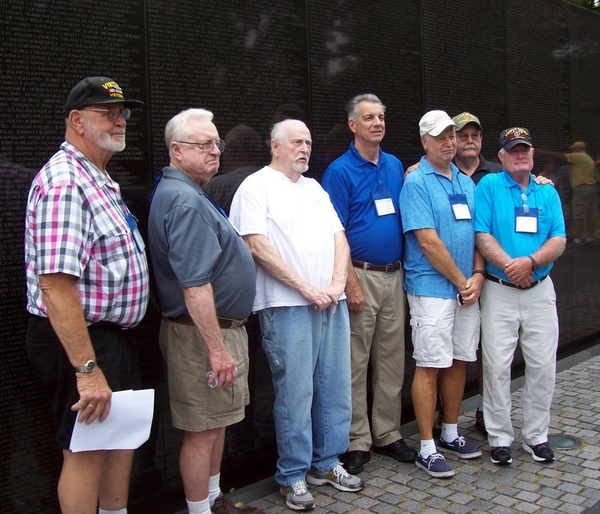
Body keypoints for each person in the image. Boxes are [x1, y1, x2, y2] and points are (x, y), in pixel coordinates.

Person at [25, 76, 150, 514]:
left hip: (111, 338)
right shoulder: (65, 183)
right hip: (82, 342)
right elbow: (56, 286)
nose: (119, 121)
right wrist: (87, 369)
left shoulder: (96, 177)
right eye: (107, 113)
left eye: (123, 113)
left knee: (119, 443)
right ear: (77, 121)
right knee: (86, 451)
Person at [230, 119, 363, 511]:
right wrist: (306, 288)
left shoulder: (315, 188)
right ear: (275, 146)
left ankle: (327, 461)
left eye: (308, 142)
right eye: (296, 143)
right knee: (295, 392)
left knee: (335, 385)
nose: (304, 149)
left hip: (329, 302)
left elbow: (339, 236)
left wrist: (337, 284)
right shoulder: (255, 187)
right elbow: (256, 245)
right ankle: (292, 475)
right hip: (286, 306)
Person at [147, 108, 260, 514]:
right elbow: (194, 284)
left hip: (212, 332)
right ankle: (201, 509)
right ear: (177, 150)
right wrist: (216, 349)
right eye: (204, 144)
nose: (215, 151)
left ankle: (215, 501)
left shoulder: (190, 194)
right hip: (201, 338)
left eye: (217, 143)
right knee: (201, 430)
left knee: (216, 423)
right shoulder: (185, 201)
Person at [321, 93, 416, 475]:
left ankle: (388, 433)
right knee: (355, 364)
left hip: (396, 276)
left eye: (381, 116)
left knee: (392, 361)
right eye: (369, 117)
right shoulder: (339, 171)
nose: (377, 123)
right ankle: (357, 439)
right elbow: (334, 232)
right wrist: (349, 283)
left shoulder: (394, 166)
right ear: (353, 125)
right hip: (359, 276)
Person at [475, 127, 566, 465]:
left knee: (543, 366)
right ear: (500, 156)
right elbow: (482, 234)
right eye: (513, 150)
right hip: (500, 292)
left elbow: (558, 239)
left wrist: (530, 262)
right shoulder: (489, 186)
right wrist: (511, 267)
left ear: (533, 153)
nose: (520, 154)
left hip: (540, 291)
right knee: (497, 366)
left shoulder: (547, 192)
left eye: (525, 149)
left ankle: (536, 436)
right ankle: (499, 438)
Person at [400, 110, 483, 478]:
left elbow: (480, 234)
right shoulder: (416, 183)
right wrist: (462, 280)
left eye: (452, 135)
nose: (450, 142)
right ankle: (427, 446)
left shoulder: (467, 183)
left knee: (459, 360)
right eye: (442, 137)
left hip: (466, 289)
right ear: (424, 142)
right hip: (432, 289)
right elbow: (427, 242)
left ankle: (450, 432)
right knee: (430, 364)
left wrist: (478, 274)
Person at [565, 141, 596, 243]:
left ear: (578, 148)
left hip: (581, 188)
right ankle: (590, 237)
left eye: (574, 149)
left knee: (578, 213)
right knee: (590, 213)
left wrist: (540, 152)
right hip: (592, 188)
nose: (573, 151)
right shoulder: (589, 159)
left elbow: (560, 156)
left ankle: (577, 238)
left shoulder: (579, 156)